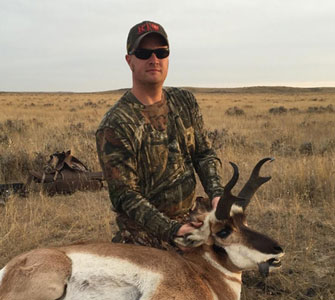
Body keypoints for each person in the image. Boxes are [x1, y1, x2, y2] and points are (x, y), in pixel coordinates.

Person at [96, 20, 224, 251]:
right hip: (146, 234)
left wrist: (216, 195)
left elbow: (204, 154)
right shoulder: (115, 124)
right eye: (144, 53)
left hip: (192, 217)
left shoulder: (185, 101)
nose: (154, 59)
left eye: (161, 52)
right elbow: (125, 197)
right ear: (129, 60)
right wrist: (172, 230)